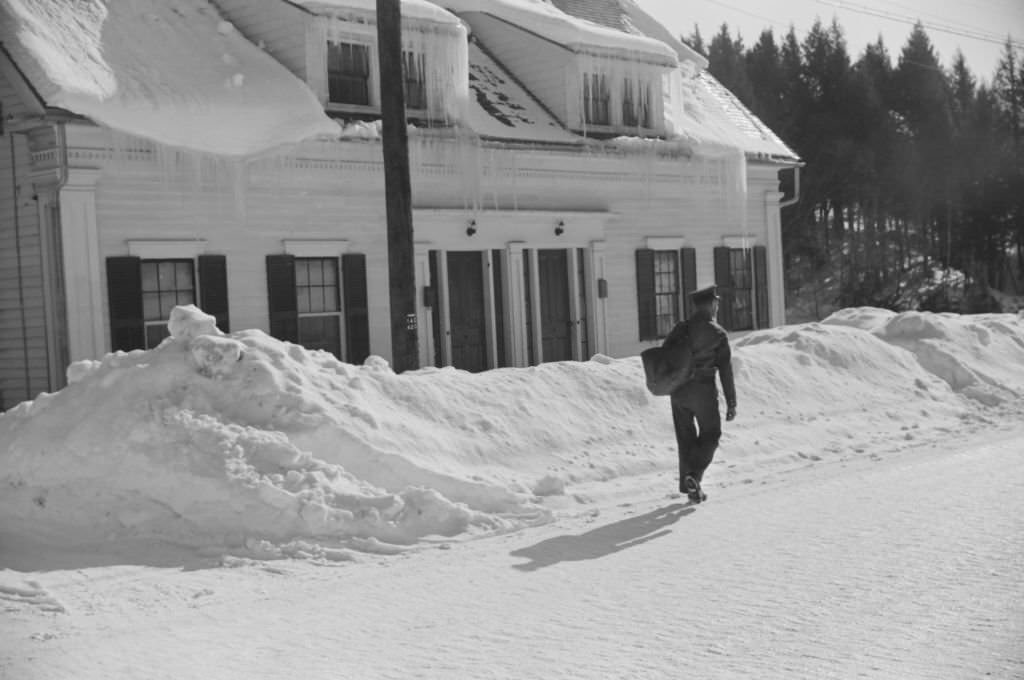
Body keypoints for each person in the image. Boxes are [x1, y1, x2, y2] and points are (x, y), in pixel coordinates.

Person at [661, 284, 736, 504]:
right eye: (717, 303)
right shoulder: (717, 333)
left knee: (685, 439)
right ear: (713, 304)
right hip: (703, 390)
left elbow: (665, 354)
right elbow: (726, 370)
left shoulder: (680, 329)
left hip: (679, 390)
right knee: (711, 434)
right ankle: (693, 476)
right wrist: (731, 402)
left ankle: (692, 487)